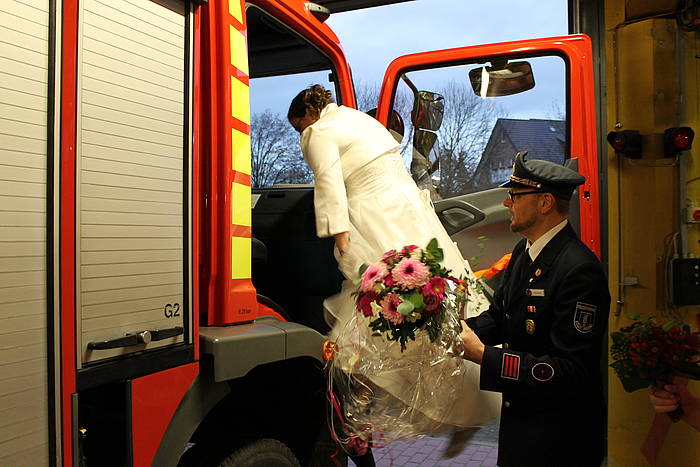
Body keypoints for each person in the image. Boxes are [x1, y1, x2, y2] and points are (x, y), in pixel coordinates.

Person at [287, 85, 500, 459]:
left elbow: (328, 181)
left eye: (297, 127)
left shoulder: (317, 131)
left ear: (307, 115)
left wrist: (340, 236)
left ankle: (358, 416)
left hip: (372, 217)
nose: (300, 135)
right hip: (408, 212)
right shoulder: (359, 120)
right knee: (433, 311)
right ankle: (472, 406)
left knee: (372, 315)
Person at [459, 152, 611, 467]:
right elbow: (500, 317)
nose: (507, 203)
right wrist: (455, 332)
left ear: (544, 203)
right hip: (523, 427)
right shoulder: (524, 251)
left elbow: (569, 370)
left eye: (515, 195)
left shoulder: (579, 269)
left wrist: (485, 356)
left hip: (561, 440)